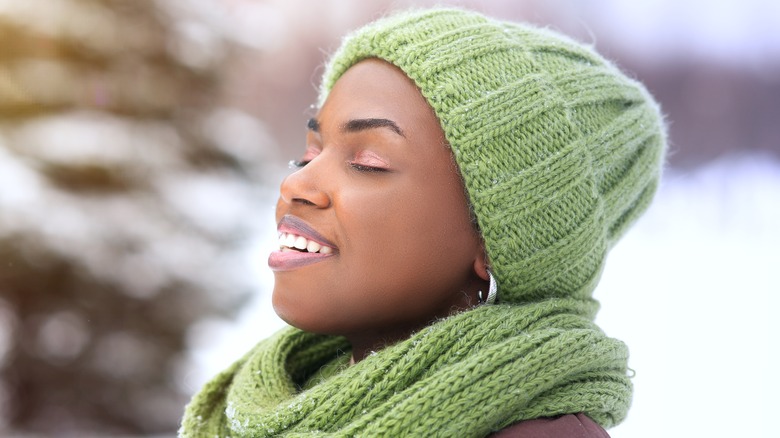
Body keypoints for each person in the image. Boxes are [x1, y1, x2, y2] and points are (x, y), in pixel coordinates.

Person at [179, 7, 666, 437]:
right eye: (310, 153)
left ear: (495, 243)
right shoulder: (265, 405)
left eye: (368, 161)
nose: (296, 185)